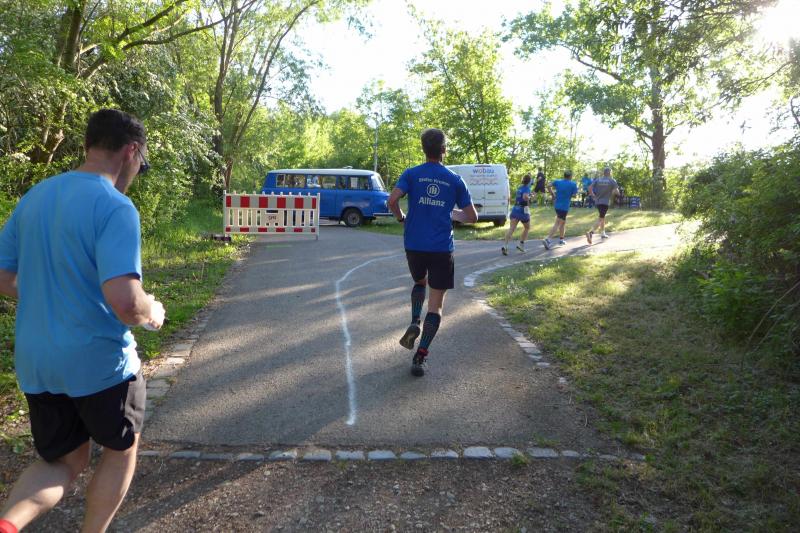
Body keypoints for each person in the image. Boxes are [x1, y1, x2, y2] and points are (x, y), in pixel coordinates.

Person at [0, 109, 165, 533]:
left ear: (90, 145)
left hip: (38, 362)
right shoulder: (114, 205)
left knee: (62, 461)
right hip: (99, 363)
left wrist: (51, 294)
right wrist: (152, 311)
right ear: (131, 151)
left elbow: (3, 276)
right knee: (121, 448)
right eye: (141, 164)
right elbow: (126, 302)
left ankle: (7, 524)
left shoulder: (36, 197)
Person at [388, 128, 478, 377]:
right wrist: (450, 212)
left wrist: (401, 218)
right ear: (444, 150)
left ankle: (414, 321)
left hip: (414, 245)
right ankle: (420, 356)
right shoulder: (455, 179)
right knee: (436, 306)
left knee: (420, 282)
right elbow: (472, 216)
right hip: (441, 248)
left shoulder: (411, 174)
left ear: (423, 149)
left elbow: (392, 201)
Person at [542, 170, 579, 250]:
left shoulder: (557, 181)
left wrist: (553, 194)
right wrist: (570, 193)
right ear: (570, 176)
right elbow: (574, 195)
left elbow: (548, 186)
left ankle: (561, 239)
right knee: (558, 223)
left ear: (564, 175)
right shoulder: (573, 184)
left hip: (557, 205)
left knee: (563, 222)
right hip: (564, 207)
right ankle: (548, 239)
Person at [585, 166, 620, 244]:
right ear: (609, 173)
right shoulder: (612, 180)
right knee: (601, 219)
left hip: (598, 202)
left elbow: (589, 188)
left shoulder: (598, 179)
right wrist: (613, 192)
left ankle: (603, 233)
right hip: (605, 202)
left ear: (604, 173)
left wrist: (593, 196)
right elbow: (617, 192)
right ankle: (590, 233)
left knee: (602, 217)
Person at [501, 173, 532, 255]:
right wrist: (530, 197)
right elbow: (525, 197)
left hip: (515, 209)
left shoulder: (520, 188)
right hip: (523, 211)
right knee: (527, 227)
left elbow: (519, 197)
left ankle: (505, 246)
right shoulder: (527, 188)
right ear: (529, 181)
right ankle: (521, 244)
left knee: (511, 229)